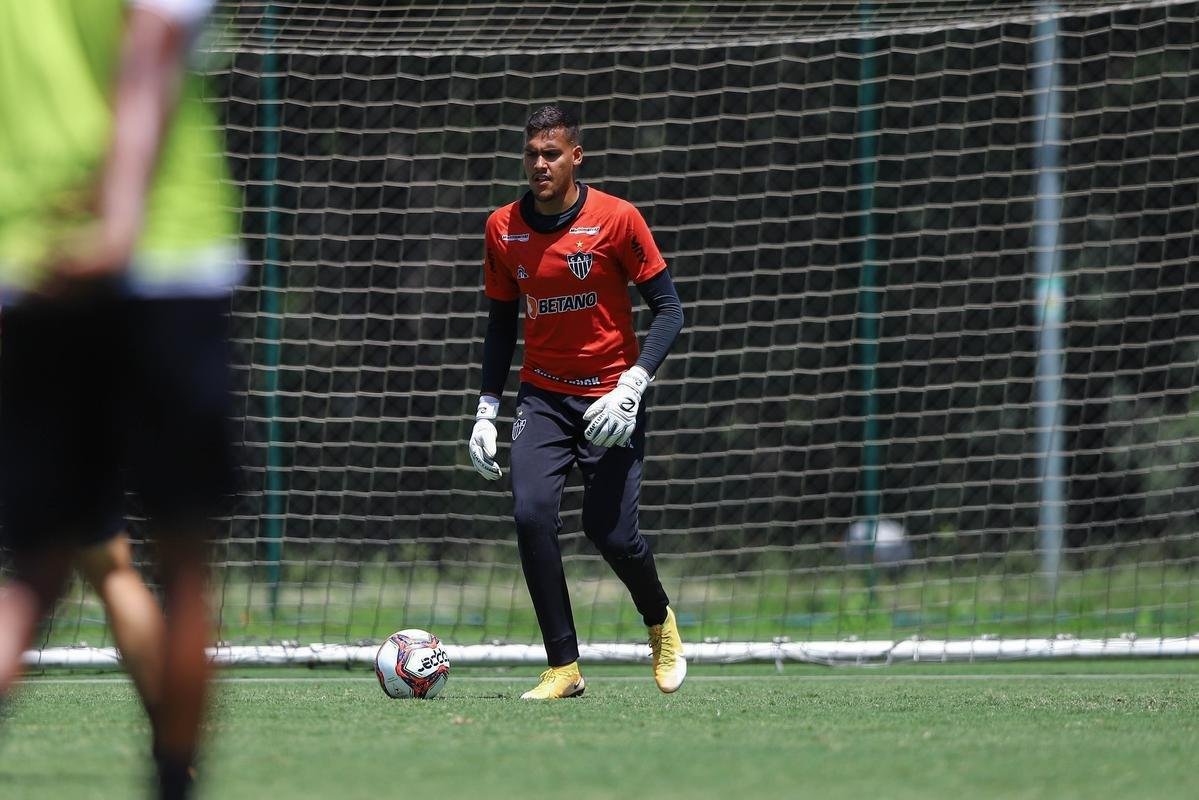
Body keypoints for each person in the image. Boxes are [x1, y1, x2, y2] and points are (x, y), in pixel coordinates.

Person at [0, 1, 241, 797]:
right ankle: (176, 779)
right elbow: (155, 33)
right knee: (175, 565)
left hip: (28, 263)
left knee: (36, 571)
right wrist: (120, 209)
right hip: (164, 255)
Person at [468, 105, 687, 699]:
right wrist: (487, 409)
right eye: (532, 154)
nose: (540, 164)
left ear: (575, 157)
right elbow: (499, 324)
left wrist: (634, 384)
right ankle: (563, 666)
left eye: (552, 154)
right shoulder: (502, 228)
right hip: (542, 397)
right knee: (531, 515)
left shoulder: (618, 219)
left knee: (610, 533)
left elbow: (670, 312)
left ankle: (659, 619)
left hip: (611, 400)